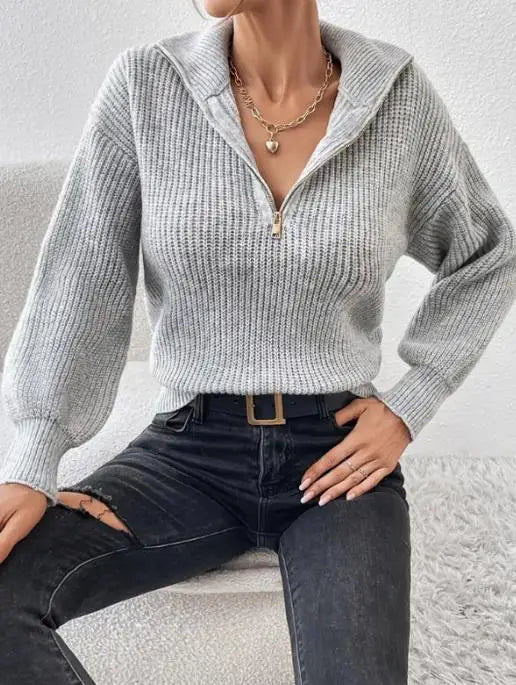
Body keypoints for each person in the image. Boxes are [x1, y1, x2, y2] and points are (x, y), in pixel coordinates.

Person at [1, 1, 515, 683]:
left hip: (335, 458)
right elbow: (80, 278)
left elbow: (488, 254)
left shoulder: (397, 98)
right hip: (186, 452)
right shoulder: (146, 86)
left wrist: (410, 403)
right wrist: (34, 456)